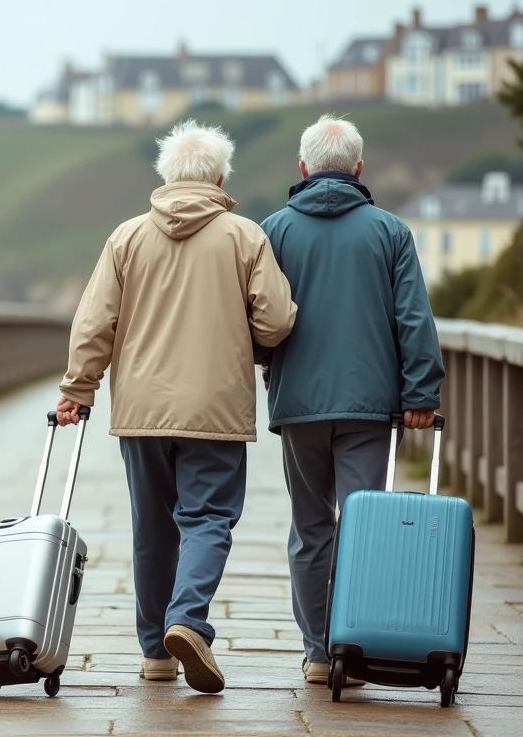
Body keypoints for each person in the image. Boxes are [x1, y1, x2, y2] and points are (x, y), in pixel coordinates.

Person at [56, 120, 296, 694]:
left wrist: (77, 388)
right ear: (218, 177)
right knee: (208, 519)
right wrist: (245, 341)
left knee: (153, 529)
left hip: (140, 409)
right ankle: (187, 620)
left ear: (167, 176)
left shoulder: (127, 237)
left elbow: (95, 323)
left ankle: (155, 655)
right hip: (214, 408)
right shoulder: (245, 236)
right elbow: (277, 319)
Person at [257, 115, 444, 687]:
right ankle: (354, 646)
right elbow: (413, 318)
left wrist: (270, 367)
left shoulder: (273, 230)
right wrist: (421, 393)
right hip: (369, 408)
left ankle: (318, 653)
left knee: (311, 529)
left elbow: (260, 318)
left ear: (303, 168)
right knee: (364, 528)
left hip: (299, 406)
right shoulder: (390, 232)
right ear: (359, 169)